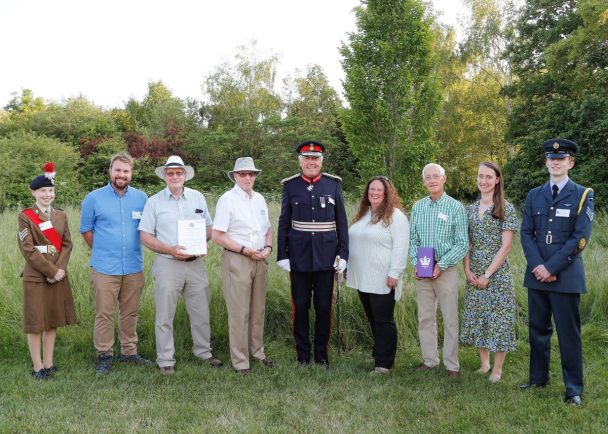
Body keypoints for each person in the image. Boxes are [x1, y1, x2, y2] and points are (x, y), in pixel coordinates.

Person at [519, 138, 593, 406]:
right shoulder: (533, 195)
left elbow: (580, 237)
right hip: (537, 276)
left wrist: (551, 268)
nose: (556, 163)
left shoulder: (583, 194)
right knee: (537, 330)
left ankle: (573, 389)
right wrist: (539, 267)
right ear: (546, 163)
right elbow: (526, 234)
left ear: (570, 163)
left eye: (561, 159)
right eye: (551, 159)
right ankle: (538, 379)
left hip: (566, 276)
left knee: (568, 334)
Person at [139, 155, 222, 375]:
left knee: (201, 311)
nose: (175, 176)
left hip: (195, 264)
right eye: (170, 173)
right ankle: (166, 359)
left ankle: (203, 352)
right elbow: (145, 235)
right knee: (165, 313)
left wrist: (197, 244)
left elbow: (209, 228)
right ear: (165, 176)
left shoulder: (197, 198)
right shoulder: (154, 201)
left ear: (185, 176)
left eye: (179, 173)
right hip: (168, 264)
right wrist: (170, 250)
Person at [277, 140, 348, 368]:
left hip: (327, 259)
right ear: (300, 162)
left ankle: (321, 355)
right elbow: (283, 222)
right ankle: (302, 356)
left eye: (315, 159)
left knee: (324, 307)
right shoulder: (290, 186)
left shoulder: (333, 185)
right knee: (300, 306)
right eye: (306, 159)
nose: (311, 162)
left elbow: (342, 223)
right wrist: (282, 255)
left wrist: (343, 254)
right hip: (298, 258)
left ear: (321, 162)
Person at [80, 152, 151, 375]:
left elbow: (148, 229)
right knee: (105, 313)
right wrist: (102, 250)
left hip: (133, 266)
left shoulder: (142, 198)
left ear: (131, 174)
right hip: (104, 267)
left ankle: (129, 352)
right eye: (118, 170)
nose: (122, 174)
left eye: (126, 171)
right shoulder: (93, 198)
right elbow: (86, 231)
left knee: (130, 313)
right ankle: (104, 354)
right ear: (110, 171)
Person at [212, 157, 275, 375]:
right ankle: (240, 361)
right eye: (243, 174)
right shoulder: (227, 199)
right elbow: (217, 235)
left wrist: (268, 247)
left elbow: (268, 229)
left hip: (260, 258)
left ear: (255, 176)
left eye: (251, 174)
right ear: (235, 176)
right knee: (239, 312)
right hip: (238, 258)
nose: (248, 178)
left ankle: (257, 352)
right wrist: (244, 250)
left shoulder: (259, 199)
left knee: (258, 309)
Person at [17, 162, 76, 380]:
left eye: (50, 190)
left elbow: (68, 244)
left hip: (58, 275)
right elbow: (28, 250)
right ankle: (37, 367)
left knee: (52, 320)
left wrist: (59, 269)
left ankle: (49, 363)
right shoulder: (25, 216)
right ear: (34, 192)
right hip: (36, 276)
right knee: (35, 323)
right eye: (43, 191)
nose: (47, 194)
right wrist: (51, 271)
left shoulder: (61, 215)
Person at [408, 163, 468, 377]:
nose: (432, 180)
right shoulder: (418, 207)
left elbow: (462, 243)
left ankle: (452, 364)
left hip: (446, 269)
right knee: (425, 317)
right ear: (424, 181)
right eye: (428, 177)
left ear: (444, 179)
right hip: (422, 270)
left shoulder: (455, 207)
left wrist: (441, 265)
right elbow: (413, 239)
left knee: (450, 318)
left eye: (436, 176)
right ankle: (429, 360)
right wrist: (416, 261)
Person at [460, 162, 518, 383]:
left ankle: (497, 369)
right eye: (480, 176)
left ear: (497, 180)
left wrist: (488, 274)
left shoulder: (506, 208)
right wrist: (467, 269)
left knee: (499, 319)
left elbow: (506, 246)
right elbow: (467, 243)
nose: (483, 180)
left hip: (497, 273)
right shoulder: (470, 209)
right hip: (474, 271)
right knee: (479, 317)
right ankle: (484, 364)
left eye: (488, 177)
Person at [346, 176, 409, 374]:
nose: (374, 192)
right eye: (371, 189)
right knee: (373, 318)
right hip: (363, 276)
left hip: (383, 277)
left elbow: (401, 246)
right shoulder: (364, 214)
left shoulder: (395, 216)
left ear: (387, 192)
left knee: (383, 320)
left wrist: (395, 272)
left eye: (379, 190)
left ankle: (384, 364)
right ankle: (378, 352)